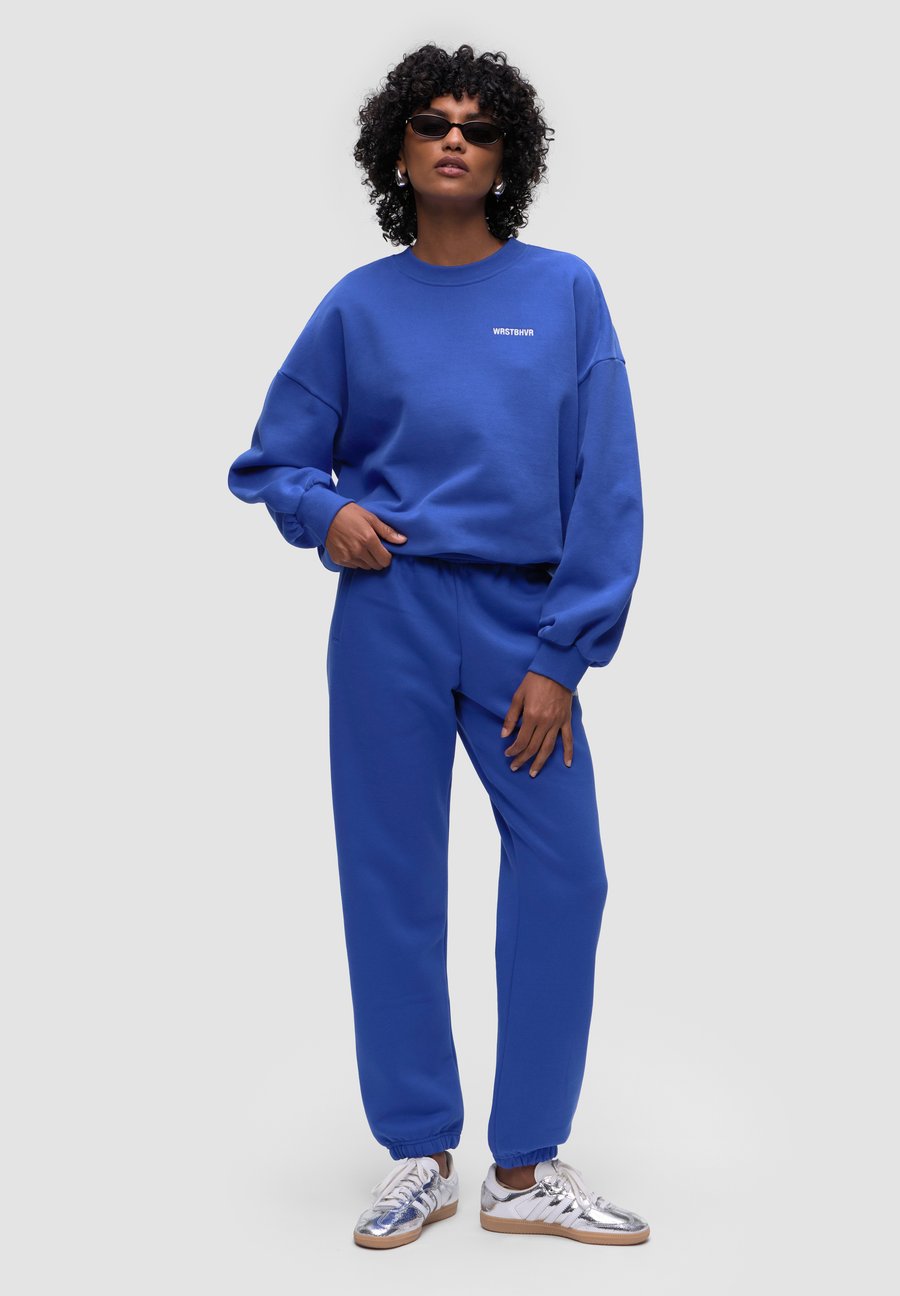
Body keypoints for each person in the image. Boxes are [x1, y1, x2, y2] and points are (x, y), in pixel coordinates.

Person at [228, 42, 650, 1250]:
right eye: (431, 123)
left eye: (477, 125)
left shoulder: (565, 292)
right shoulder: (357, 307)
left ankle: (524, 1167)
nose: (453, 139)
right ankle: (420, 1150)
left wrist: (562, 659)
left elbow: (608, 483)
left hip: (524, 622)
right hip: (390, 618)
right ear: (398, 151)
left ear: (508, 154)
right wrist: (326, 514)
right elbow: (273, 460)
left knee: (567, 874)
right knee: (392, 880)